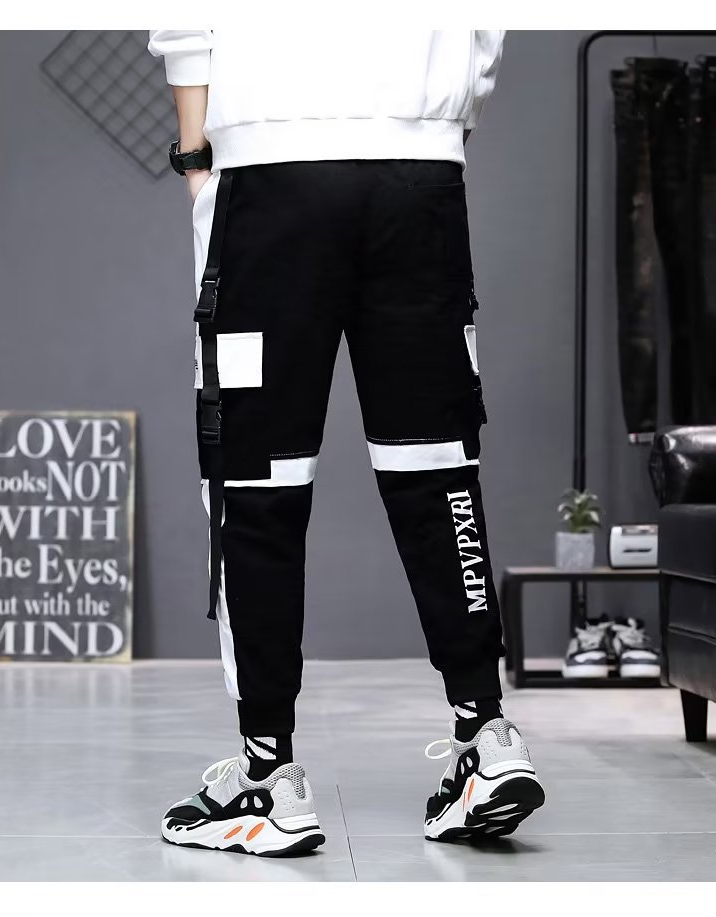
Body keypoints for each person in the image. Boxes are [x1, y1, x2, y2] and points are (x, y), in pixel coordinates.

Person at [149, 29, 545, 856]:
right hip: (420, 177)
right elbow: (486, 28)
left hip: (270, 178)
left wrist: (196, 162)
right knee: (437, 464)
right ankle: (487, 735)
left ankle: (267, 773)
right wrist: (435, 128)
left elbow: (188, 25)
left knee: (254, 478)